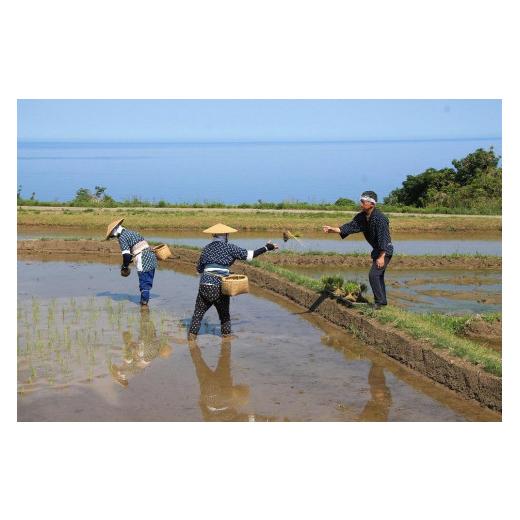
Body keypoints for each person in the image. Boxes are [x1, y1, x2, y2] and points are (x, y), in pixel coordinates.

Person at [188, 223, 278, 338]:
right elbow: (249, 255)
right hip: (220, 286)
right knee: (224, 314)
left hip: (205, 284)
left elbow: (199, 269)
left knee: (198, 313)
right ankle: (226, 338)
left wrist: (217, 270)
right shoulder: (229, 247)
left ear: (214, 235)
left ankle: (191, 336)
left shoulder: (206, 249)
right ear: (225, 235)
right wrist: (267, 247)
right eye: (228, 234)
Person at [323, 191, 393, 309]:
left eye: (363, 202)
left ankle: (379, 303)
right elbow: (350, 226)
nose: (361, 204)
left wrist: (382, 256)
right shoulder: (362, 217)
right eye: (361, 201)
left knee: (373, 275)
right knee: (378, 276)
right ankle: (382, 302)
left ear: (372, 204)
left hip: (385, 250)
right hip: (377, 250)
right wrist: (332, 229)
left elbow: (384, 238)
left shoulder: (380, 218)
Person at [105, 218, 158, 307]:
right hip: (152, 256)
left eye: (112, 235)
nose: (113, 237)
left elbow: (126, 256)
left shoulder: (122, 237)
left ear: (115, 232)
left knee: (144, 283)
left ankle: (144, 307)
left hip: (143, 259)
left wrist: (125, 266)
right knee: (148, 282)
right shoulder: (132, 233)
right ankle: (145, 302)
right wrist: (128, 261)